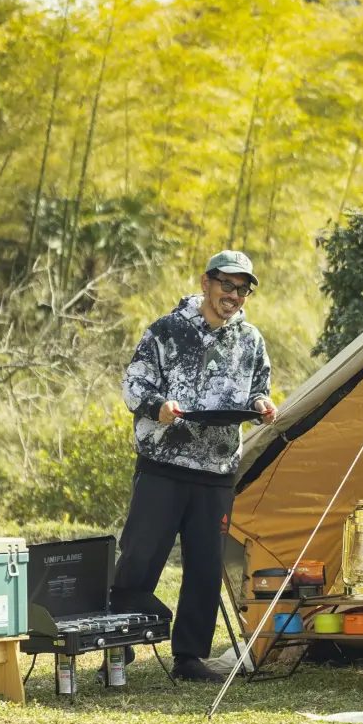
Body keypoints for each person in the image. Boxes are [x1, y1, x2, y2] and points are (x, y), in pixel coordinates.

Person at [110, 249, 276, 682]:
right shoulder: (166, 331)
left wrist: (261, 404)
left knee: (204, 566)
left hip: (218, 470)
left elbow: (259, 386)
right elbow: (134, 386)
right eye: (227, 285)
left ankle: (189, 658)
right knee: (140, 558)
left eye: (243, 289)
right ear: (206, 282)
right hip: (163, 464)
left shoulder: (252, 340)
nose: (234, 295)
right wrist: (156, 407)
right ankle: (118, 645)